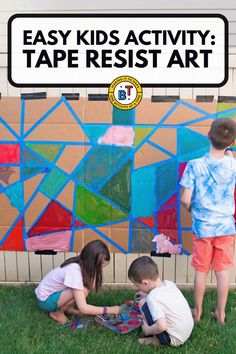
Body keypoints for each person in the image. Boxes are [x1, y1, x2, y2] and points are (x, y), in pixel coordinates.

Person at [180, 117, 236, 324]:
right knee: (222, 273)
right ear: (232, 143)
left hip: (203, 228)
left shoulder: (195, 166)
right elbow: (228, 157)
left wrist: (193, 209)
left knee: (201, 271)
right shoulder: (233, 165)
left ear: (207, 136)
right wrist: (230, 153)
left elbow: (185, 199)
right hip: (226, 228)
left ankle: (198, 312)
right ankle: (221, 314)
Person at [35, 240, 121, 324]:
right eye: (99, 267)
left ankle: (67, 308)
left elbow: (92, 286)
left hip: (49, 294)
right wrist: (109, 309)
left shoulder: (81, 263)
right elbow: (83, 308)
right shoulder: (74, 271)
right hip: (45, 301)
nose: (99, 270)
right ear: (91, 263)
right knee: (83, 291)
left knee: (84, 289)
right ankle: (57, 313)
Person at [128, 256, 194, 347]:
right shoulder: (169, 284)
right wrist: (146, 294)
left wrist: (147, 329)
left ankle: (155, 340)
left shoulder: (152, 298)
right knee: (146, 300)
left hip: (173, 338)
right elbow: (163, 298)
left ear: (145, 283)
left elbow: (161, 326)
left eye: (137, 285)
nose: (138, 288)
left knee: (142, 302)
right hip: (187, 330)